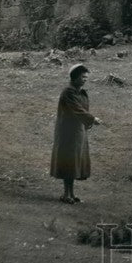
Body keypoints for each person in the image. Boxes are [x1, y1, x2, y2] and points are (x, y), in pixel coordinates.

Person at [50, 63, 101, 204]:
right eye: (82, 77)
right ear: (75, 77)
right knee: (69, 162)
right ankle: (66, 194)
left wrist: (86, 122)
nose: (85, 79)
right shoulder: (68, 92)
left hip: (78, 131)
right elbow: (77, 109)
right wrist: (92, 119)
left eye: (86, 77)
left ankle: (71, 194)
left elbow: (81, 110)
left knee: (74, 163)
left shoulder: (81, 92)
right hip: (68, 132)